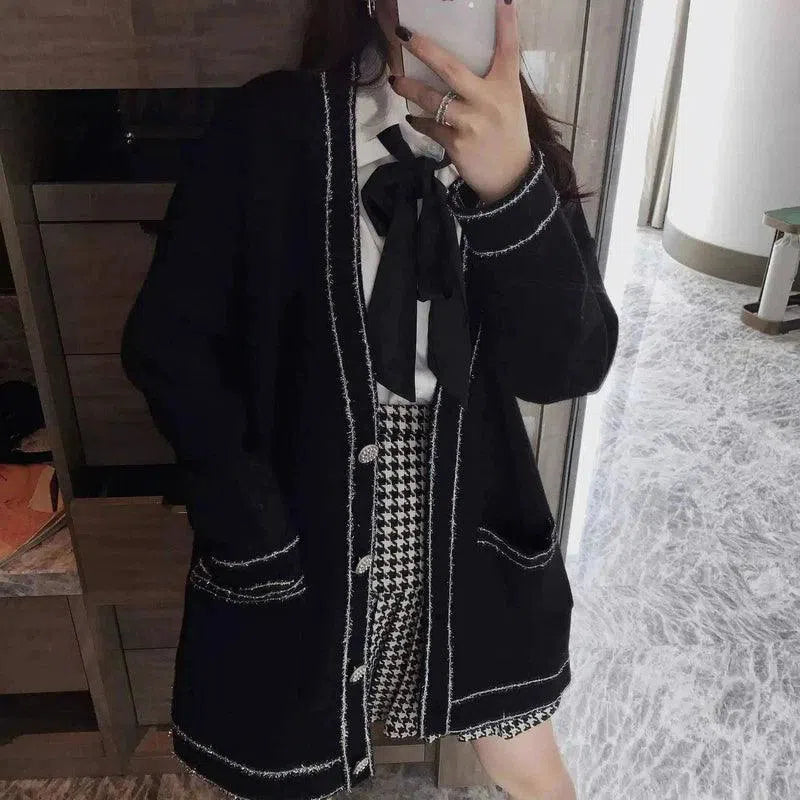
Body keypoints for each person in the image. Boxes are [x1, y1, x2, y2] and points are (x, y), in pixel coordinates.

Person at [120, 1, 619, 799]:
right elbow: (171, 349)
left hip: (470, 529)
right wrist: (248, 527)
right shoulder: (272, 126)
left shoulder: (518, 143)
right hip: (300, 524)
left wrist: (511, 185)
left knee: (528, 762)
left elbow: (566, 367)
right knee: (294, 769)